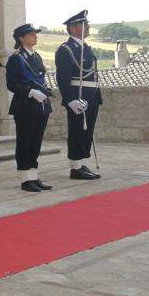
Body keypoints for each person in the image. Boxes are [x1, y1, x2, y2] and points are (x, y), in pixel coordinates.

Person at [55, 10, 102, 180]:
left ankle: (81, 162)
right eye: (85, 24)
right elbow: (62, 78)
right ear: (73, 28)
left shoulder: (84, 48)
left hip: (91, 95)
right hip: (78, 95)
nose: (88, 27)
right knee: (77, 130)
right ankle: (75, 167)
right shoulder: (66, 50)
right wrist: (70, 100)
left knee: (87, 131)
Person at [6, 23, 53, 192]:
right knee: (25, 142)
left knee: (36, 141)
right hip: (25, 105)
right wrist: (31, 92)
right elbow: (11, 84)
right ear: (21, 38)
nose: (35, 36)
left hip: (41, 106)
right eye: (31, 34)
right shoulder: (15, 58)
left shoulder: (36, 56)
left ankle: (34, 175)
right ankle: (25, 179)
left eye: (35, 34)